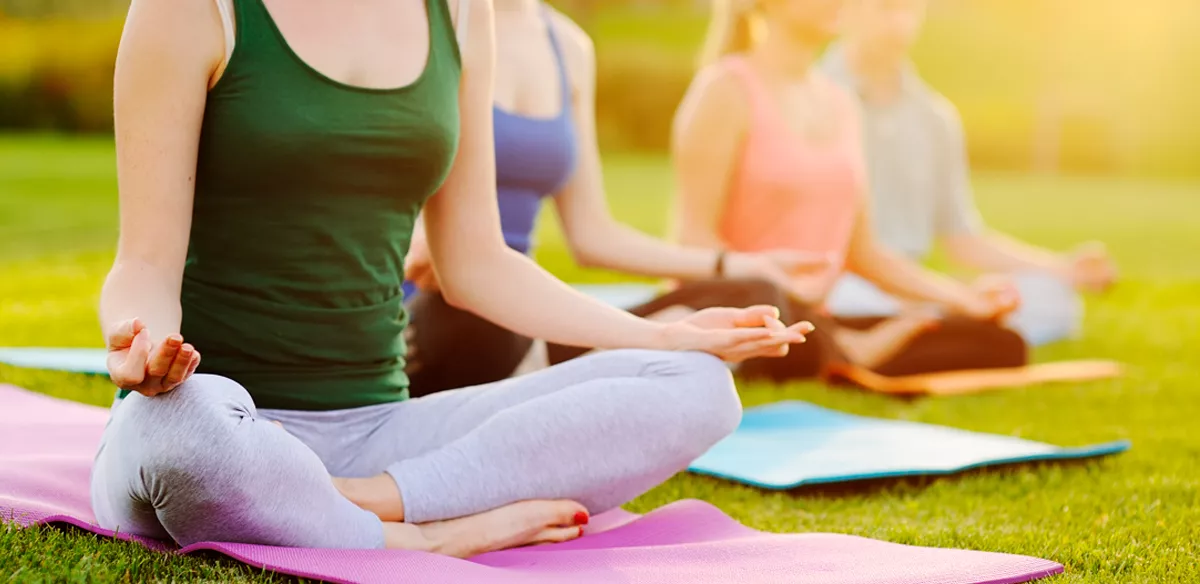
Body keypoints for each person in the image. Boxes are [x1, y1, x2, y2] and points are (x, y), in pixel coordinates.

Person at [91, 0, 812, 557]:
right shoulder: (191, 10)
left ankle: (360, 501)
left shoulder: (461, 14)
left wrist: (662, 333)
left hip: (378, 431)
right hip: (222, 417)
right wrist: (141, 344)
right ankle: (426, 535)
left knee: (697, 386)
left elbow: (475, 263)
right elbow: (143, 265)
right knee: (178, 441)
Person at [400, 0, 830, 396]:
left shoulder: (568, 47)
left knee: (754, 296)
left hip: (519, 311)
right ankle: (578, 381)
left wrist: (736, 263)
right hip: (437, 309)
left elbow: (593, 234)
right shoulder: (428, 21)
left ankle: (554, 383)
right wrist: (424, 237)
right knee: (481, 315)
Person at [643, 0, 1030, 383]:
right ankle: (845, 350)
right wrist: (776, 287)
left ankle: (841, 350)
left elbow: (865, 254)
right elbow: (692, 238)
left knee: (1000, 343)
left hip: (810, 318)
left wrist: (962, 300)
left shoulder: (842, 104)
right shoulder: (724, 90)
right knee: (771, 301)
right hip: (739, 306)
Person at [820, 0, 1118, 346]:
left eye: (909, 10)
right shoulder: (814, 97)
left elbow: (964, 240)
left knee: (1054, 300)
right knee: (848, 296)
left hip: (915, 286)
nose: (899, 24)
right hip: (843, 283)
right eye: (886, 8)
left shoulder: (935, 118)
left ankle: (923, 324)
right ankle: (937, 324)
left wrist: (1064, 269)